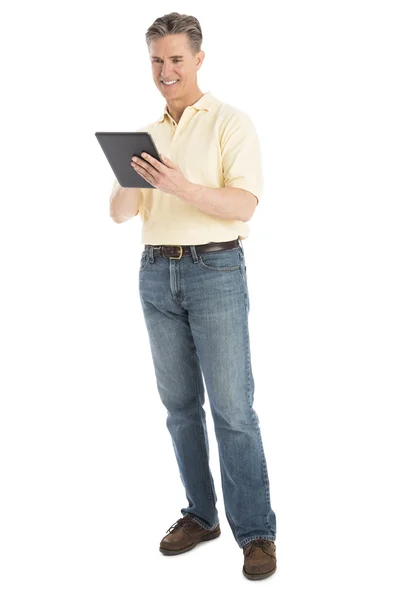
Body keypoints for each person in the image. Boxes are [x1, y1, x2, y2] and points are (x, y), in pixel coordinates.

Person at [109, 12, 277, 581]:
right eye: (156, 60)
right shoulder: (145, 133)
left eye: (176, 59)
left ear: (198, 59)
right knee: (180, 408)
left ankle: (255, 531)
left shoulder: (232, 122)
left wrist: (180, 186)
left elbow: (243, 206)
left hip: (216, 269)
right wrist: (133, 176)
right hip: (156, 273)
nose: (166, 71)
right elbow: (117, 213)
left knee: (233, 409)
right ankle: (201, 515)